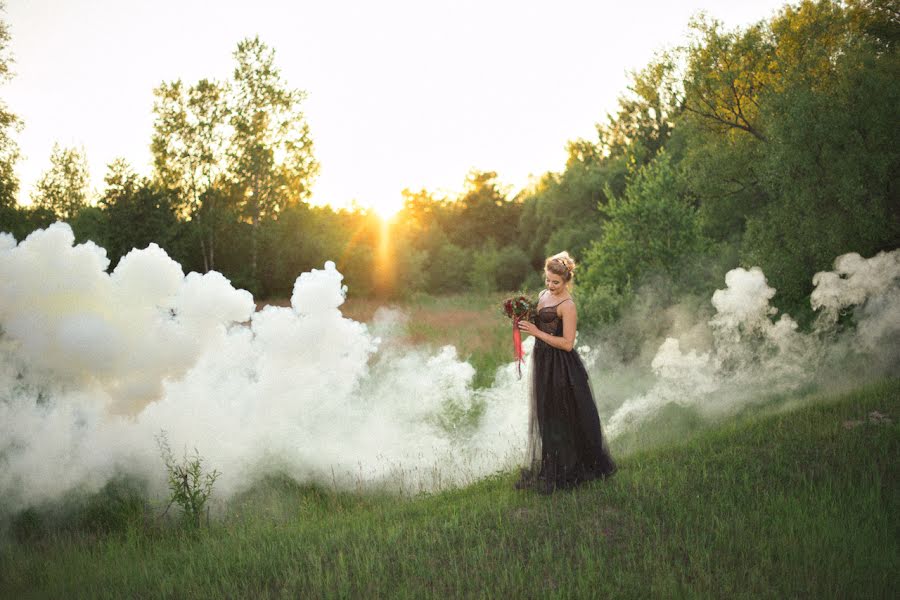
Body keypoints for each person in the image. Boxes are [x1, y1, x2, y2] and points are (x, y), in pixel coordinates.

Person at [515, 251, 617, 492]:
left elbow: (567, 343)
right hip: (543, 361)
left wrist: (536, 332)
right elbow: (538, 319)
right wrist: (518, 314)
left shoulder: (567, 305)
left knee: (565, 415)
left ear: (567, 281)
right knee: (546, 414)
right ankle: (553, 467)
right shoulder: (542, 295)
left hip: (562, 365)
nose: (550, 286)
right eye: (548, 280)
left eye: (556, 282)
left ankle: (573, 469)